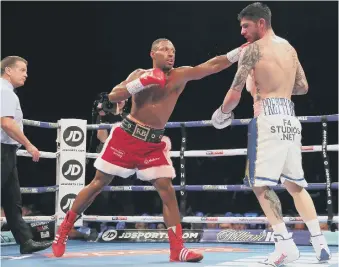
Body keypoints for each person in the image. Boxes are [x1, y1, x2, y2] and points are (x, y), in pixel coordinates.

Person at [52, 38, 248, 261]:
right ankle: (63, 231)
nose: (170, 53)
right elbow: (114, 96)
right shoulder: (139, 74)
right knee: (98, 184)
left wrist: (239, 52)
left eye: (173, 50)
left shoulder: (180, 75)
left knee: (168, 193)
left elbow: (212, 66)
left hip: (153, 144)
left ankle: (177, 250)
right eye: (164, 50)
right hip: (126, 137)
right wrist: (142, 82)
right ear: (152, 54)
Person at [210, 2, 331, 266]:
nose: (242, 32)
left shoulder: (252, 50)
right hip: (290, 119)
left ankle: (285, 245)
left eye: (246, 26)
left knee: (259, 184)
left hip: (266, 119)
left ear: (261, 23)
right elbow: (303, 86)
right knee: (295, 185)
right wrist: (278, 88)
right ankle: (320, 243)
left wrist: (221, 114)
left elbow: (234, 93)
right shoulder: (289, 48)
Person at [0, 56, 52, 254]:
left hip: (7, 151)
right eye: (22, 70)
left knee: (12, 200)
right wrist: (29, 145)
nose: (26, 74)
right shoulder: (5, 91)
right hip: (2, 150)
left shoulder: (6, 91)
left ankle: (26, 241)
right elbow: (6, 123)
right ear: (8, 71)